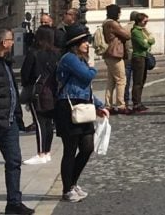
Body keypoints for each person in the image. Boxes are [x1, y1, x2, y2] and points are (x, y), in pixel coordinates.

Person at [55, 24, 109, 205]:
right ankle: (67, 189)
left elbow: (86, 89)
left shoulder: (80, 59)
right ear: (75, 44)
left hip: (83, 105)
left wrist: (99, 105)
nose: (88, 45)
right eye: (84, 41)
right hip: (68, 107)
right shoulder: (69, 59)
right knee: (70, 150)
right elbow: (87, 77)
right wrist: (93, 66)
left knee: (87, 147)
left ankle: (73, 183)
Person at [0, 28, 34, 214]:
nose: (13, 42)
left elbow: (11, 91)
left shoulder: (5, 62)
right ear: (3, 43)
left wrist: (17, 116)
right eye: (10, 39)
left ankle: (14, 203)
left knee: (14, 161)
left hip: (9, 123)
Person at [20, 25, 57, 165]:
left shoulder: (33, 53)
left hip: (37, 92)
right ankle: (47, 152)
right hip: (52, 91)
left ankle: (41, 153)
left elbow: (25, 74)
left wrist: (27, 85)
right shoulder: (55, 54)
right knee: (49, 123)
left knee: (40, 123)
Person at [100, 4, 131, 114]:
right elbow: (127, 35)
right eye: (118, 12)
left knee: (111, 81)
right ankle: (121, 105)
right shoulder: (113, 24)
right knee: (121, 80)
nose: (120, 14)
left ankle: (108, 105)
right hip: (115, 53)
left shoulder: (105, 23)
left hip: (109, 54)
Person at [129, 12, 154, 113]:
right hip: (138, 57)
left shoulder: (143, 30)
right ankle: (136, 103)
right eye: (145, 21)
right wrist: (148, 41)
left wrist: (148, 40)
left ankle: (139, 101)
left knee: (142, 80)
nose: (146, 24)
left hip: (144, 56)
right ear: (139, 21)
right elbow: (144, 45)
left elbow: (152, 40)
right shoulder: (136, 31)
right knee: (138, 81)